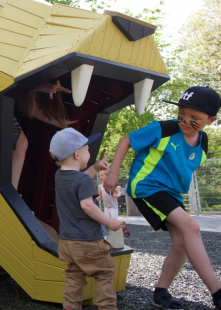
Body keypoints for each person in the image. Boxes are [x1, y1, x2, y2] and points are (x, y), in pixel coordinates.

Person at [104, 85, 221, 310]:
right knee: (191, 227)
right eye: (181, 114)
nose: (185, 120)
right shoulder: (164, 129)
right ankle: (217, 293)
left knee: (182, 244)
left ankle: (160, 292)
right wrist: (113, 174)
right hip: (147, 186)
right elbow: (127, 140)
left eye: (194, 117)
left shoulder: (203, 143)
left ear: (211, 120)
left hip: (171, 193)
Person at [50, 128, 121, 310]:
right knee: (104, 274)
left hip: (67, 243)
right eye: (87, 150)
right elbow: (87, 205)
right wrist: (109, 222)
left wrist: (95, 168)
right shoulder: (81, 181)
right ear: (77, 154)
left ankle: (70, 307)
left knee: (74, 277)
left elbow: (80, 180)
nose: (89, 153)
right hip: (88, 241)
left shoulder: (60, 176)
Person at [12, 81, 77, 189]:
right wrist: (48, 87)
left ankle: (11, 190)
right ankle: (10, 191)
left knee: (21, 143)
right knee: (21, 143)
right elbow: (22, 80)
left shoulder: (28, 96)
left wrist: (59, 123)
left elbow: (31, 108)